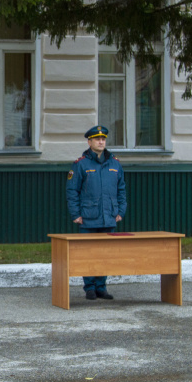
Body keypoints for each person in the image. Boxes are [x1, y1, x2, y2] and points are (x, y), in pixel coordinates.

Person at [66, 125, 127, 301]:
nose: (101, 142)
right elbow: (72, 191)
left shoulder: (115, 164)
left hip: (109, 218)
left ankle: (102, 287)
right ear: (89, 141)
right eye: (97, 139)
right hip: (88, 217)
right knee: (88, 254)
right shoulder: (81, 164)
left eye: (103, 139)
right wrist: (75, 214)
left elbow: (121, 190)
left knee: (105, 254)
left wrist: (120, 211)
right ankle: (90, 288)